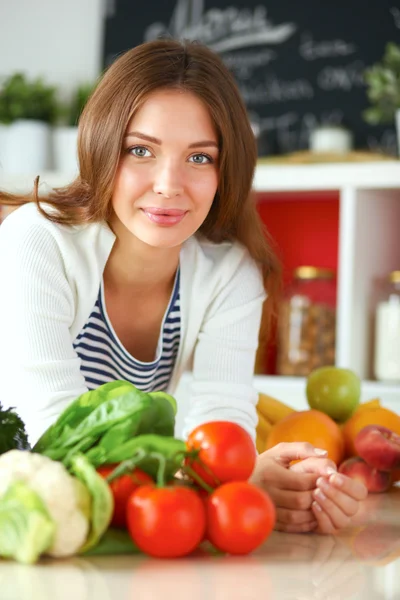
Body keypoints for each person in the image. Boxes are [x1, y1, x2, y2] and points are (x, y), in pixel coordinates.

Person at [0, 38, 367, 533]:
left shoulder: (228, 272)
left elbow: (223, 420)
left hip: (104, 516)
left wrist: (285, 488)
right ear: (101, 147)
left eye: (199, 158)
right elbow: (55, 430)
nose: (169, 184)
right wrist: (218, 478)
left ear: (225, 170)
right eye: (140, 150)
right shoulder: (35, 242)